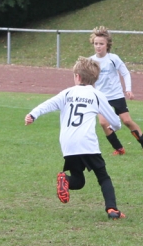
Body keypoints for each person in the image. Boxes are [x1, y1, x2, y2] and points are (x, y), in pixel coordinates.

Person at [25, 57, 126, 219]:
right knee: (103, 177)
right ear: (95, 79)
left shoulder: (67, 93)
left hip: (68, 143)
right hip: (87, 142)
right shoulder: (97, 95)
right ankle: (112, 209)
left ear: (77, 76)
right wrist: (115, 127)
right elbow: (115, 121)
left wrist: (33, 114)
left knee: (78, 181)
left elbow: (48, 104)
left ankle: (65, 179)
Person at [88, 26, 143, 156]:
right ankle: (119, 148)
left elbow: (125, 73)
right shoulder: (91, 61)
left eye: (101, 44)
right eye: (96, 43)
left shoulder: (113, 58)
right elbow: (88, 79)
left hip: (116, 95)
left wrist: (128, 89)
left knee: (127, 121)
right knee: (103, 123)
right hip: (101, 98)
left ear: (107, 45)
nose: (98, 46)